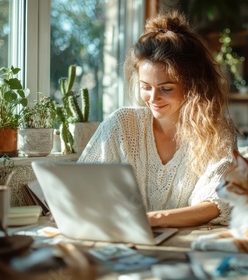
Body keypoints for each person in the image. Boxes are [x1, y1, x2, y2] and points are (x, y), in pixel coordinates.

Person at [78, 11, 238, 228]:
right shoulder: (122, 124)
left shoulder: (216, 131)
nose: (153, 99)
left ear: (192, 86)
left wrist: (152, 219)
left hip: (184, 245)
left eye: (166, 88)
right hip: (123, 239)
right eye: (146, 87)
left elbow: (216, 203)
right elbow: (82, 183)